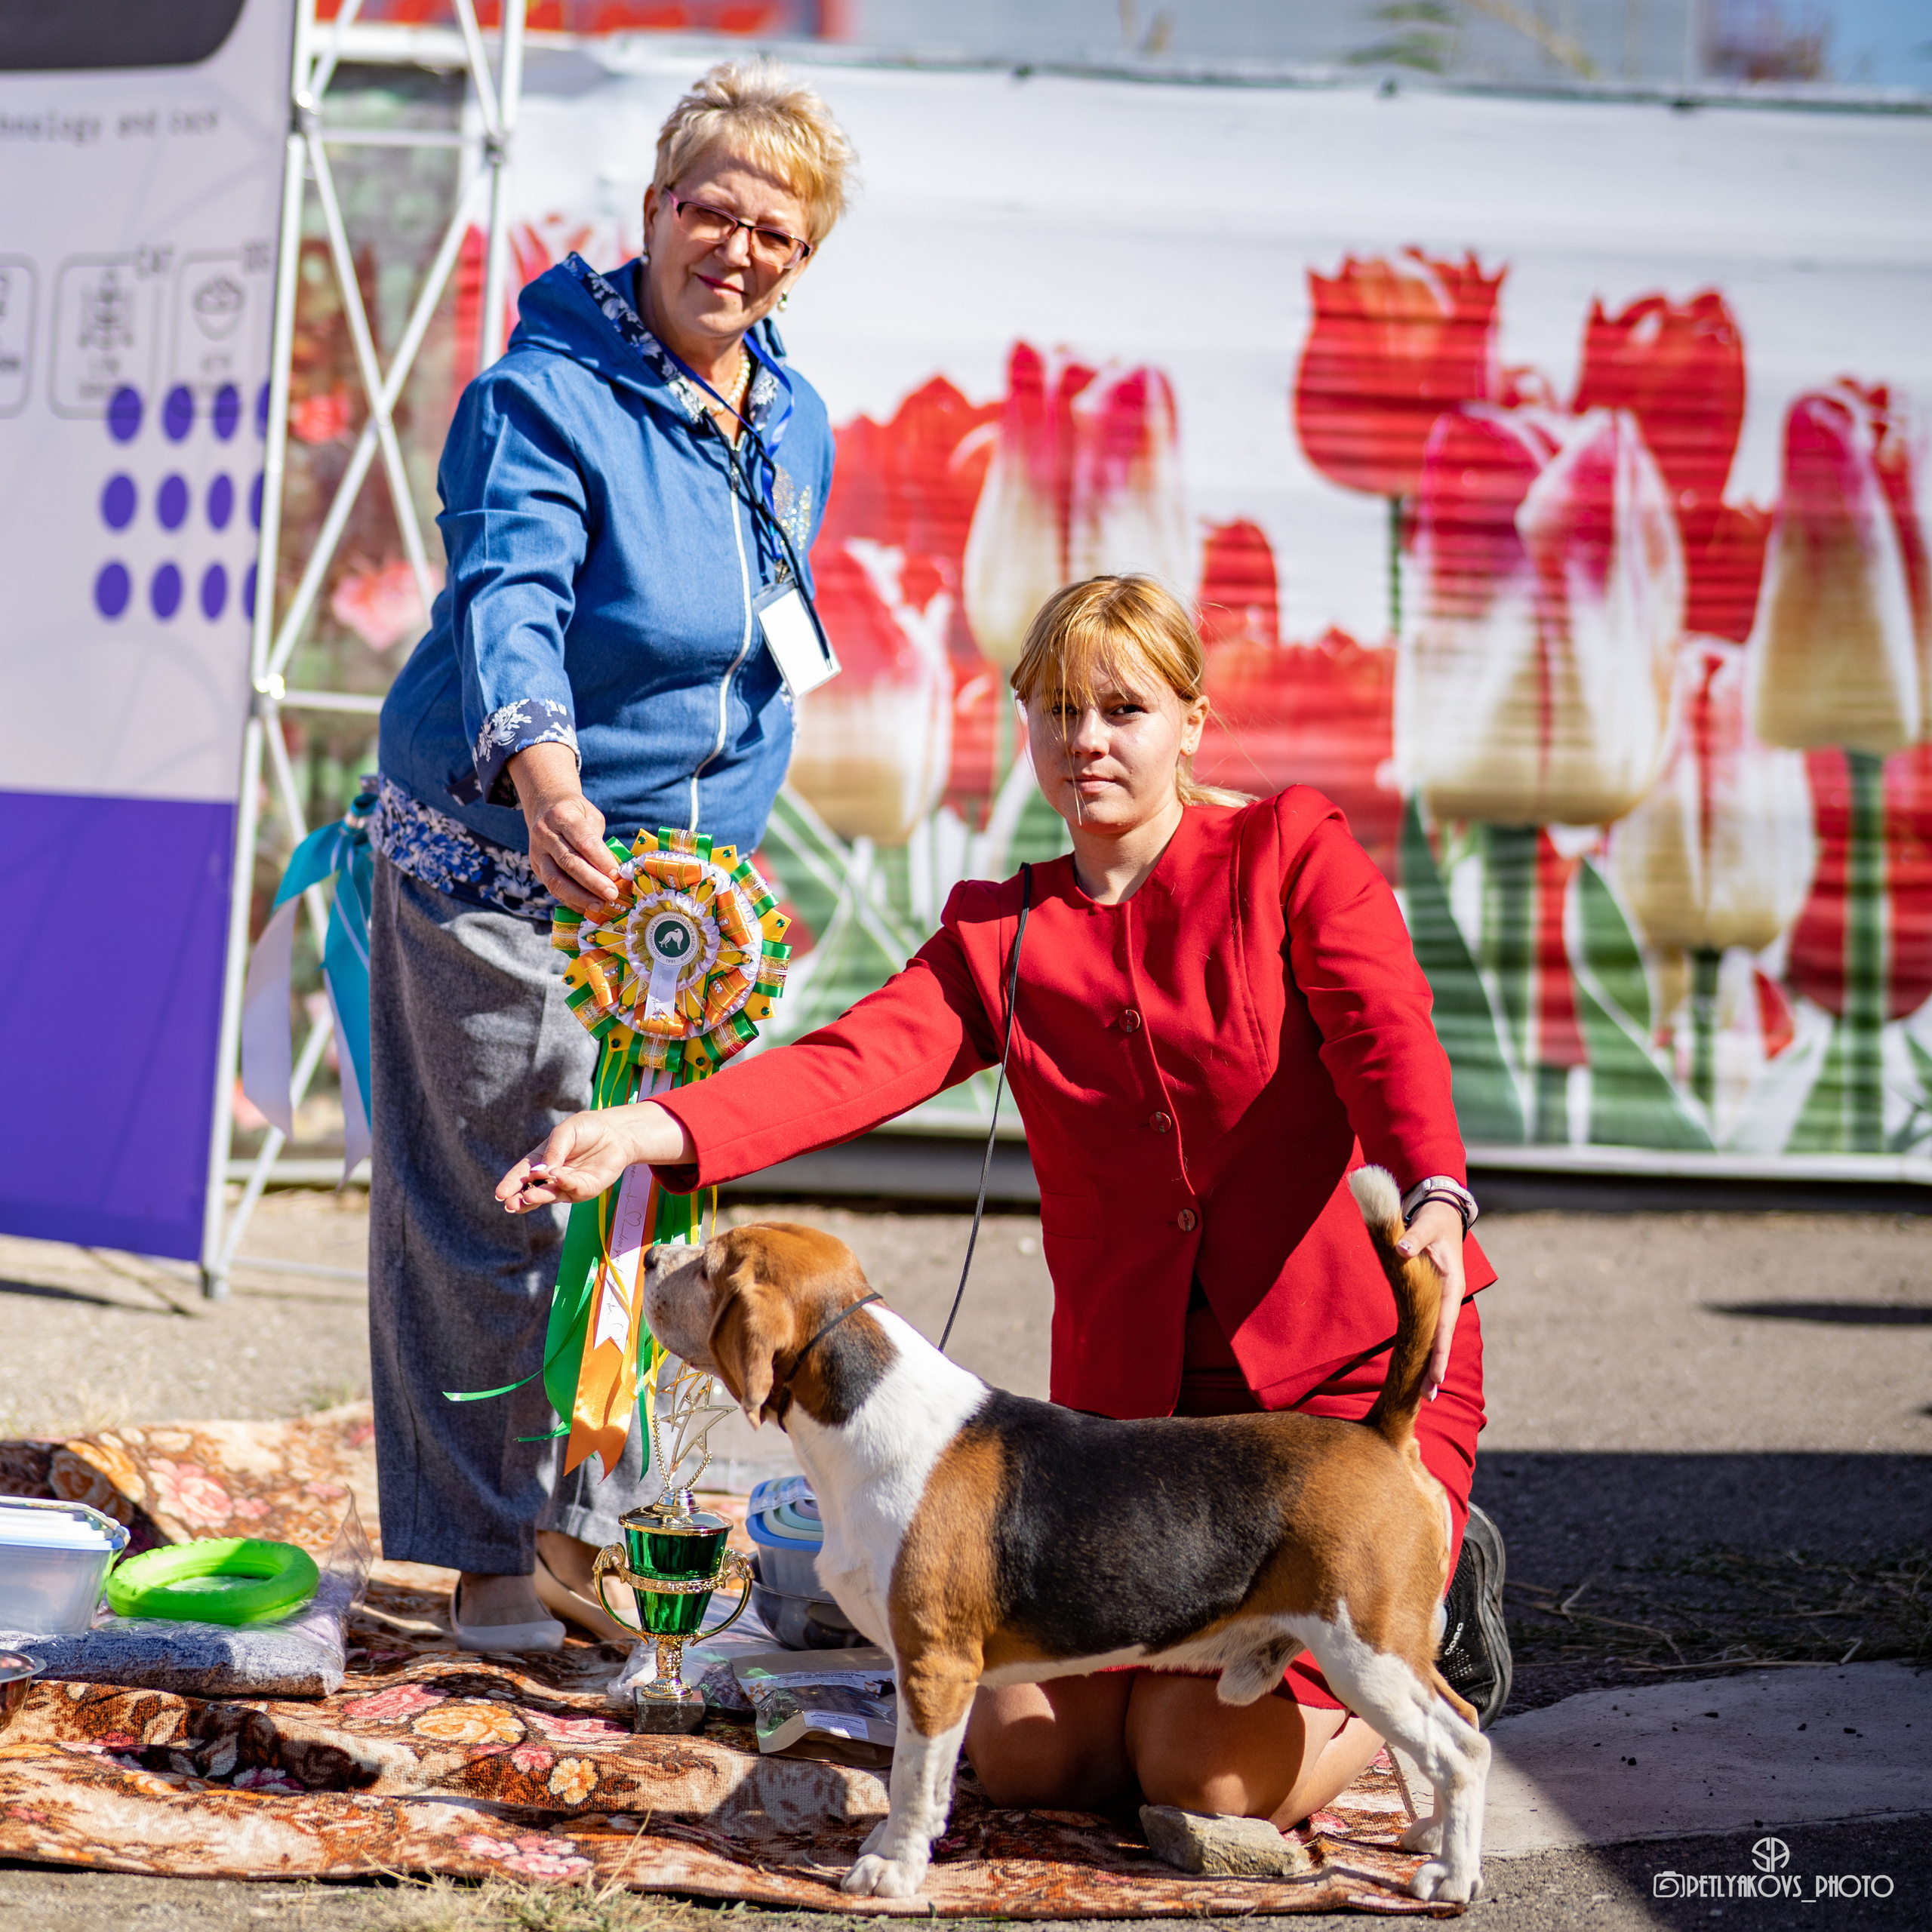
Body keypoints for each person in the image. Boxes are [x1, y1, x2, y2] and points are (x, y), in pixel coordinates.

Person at [497, 574, 1509, 1822]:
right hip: (1130, 1436)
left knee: (1195, 1776)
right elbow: (855, 1061)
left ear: (1192, 719)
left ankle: (1428, 1630)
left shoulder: (1295, 853)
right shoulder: (1003, 933)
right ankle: (1275, 1663)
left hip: (1336, 1407)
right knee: (1030, 1760)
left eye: (1124, 708)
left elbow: (1388, 1034)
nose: (1088, 740)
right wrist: (646, 1126)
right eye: (1058, 710)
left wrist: (1437, 1196)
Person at [366, 60, 856, 1651]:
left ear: (804, 256)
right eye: (704, 207)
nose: (733, 245)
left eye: (771, 229)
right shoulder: (536, 397)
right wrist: (548, 766)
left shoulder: (793, 418)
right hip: (516, 859)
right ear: (648, 210)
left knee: (630, 1219)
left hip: (675, 919)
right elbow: (513, 590)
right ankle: (489, 1558)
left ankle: (583, 1535)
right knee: (504, 1203)